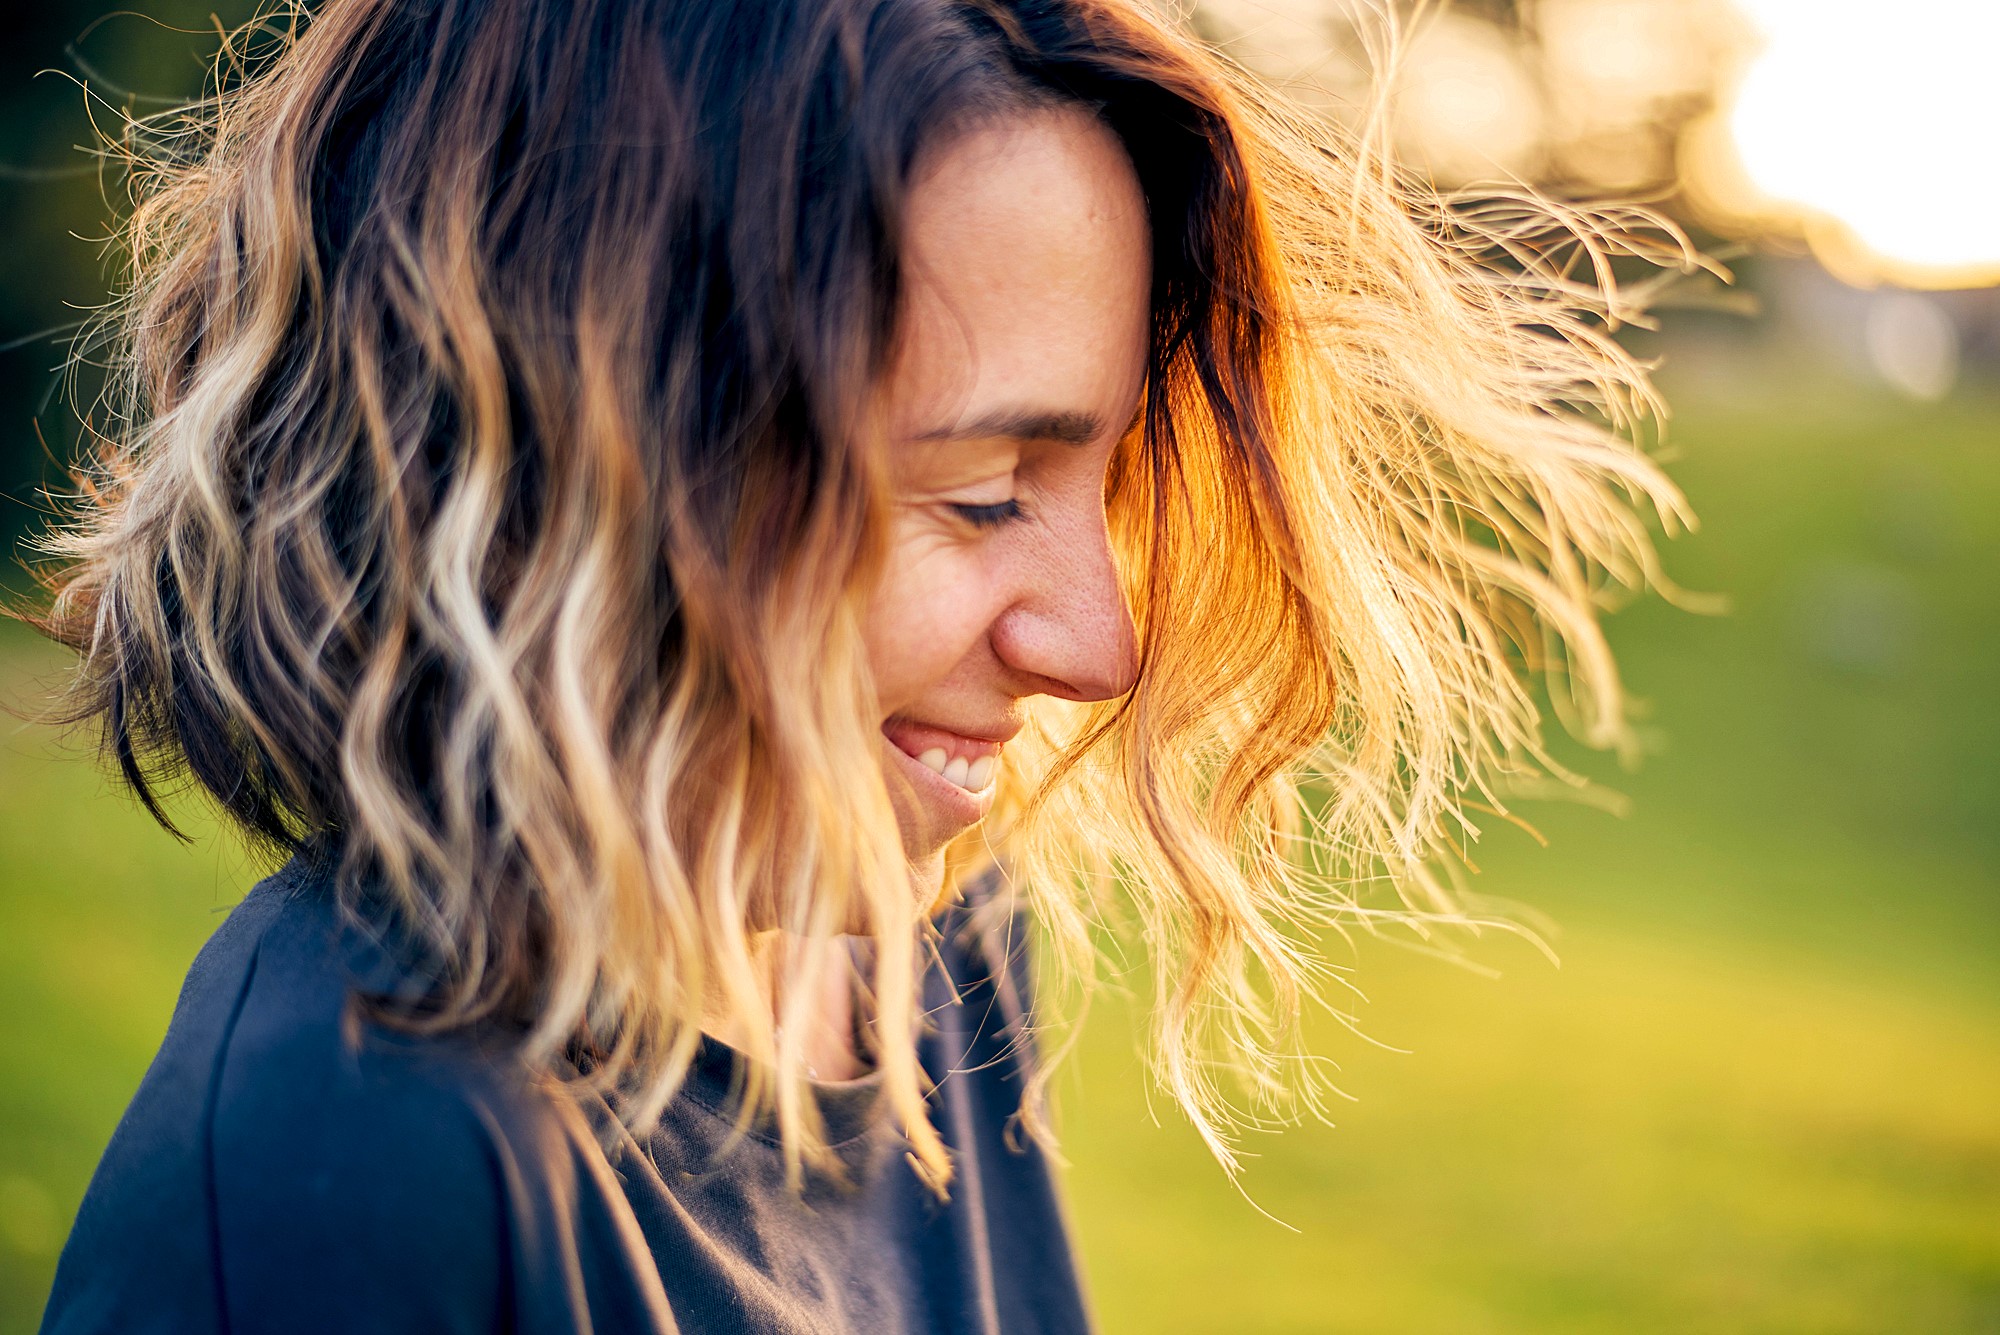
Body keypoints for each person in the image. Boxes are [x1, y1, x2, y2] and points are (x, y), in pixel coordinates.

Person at [23, 0, 1686, 1330]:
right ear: (578, 470)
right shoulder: (345, 1168)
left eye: (1102, 475)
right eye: (979, 494)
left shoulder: (920, 943)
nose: (1098, 650)